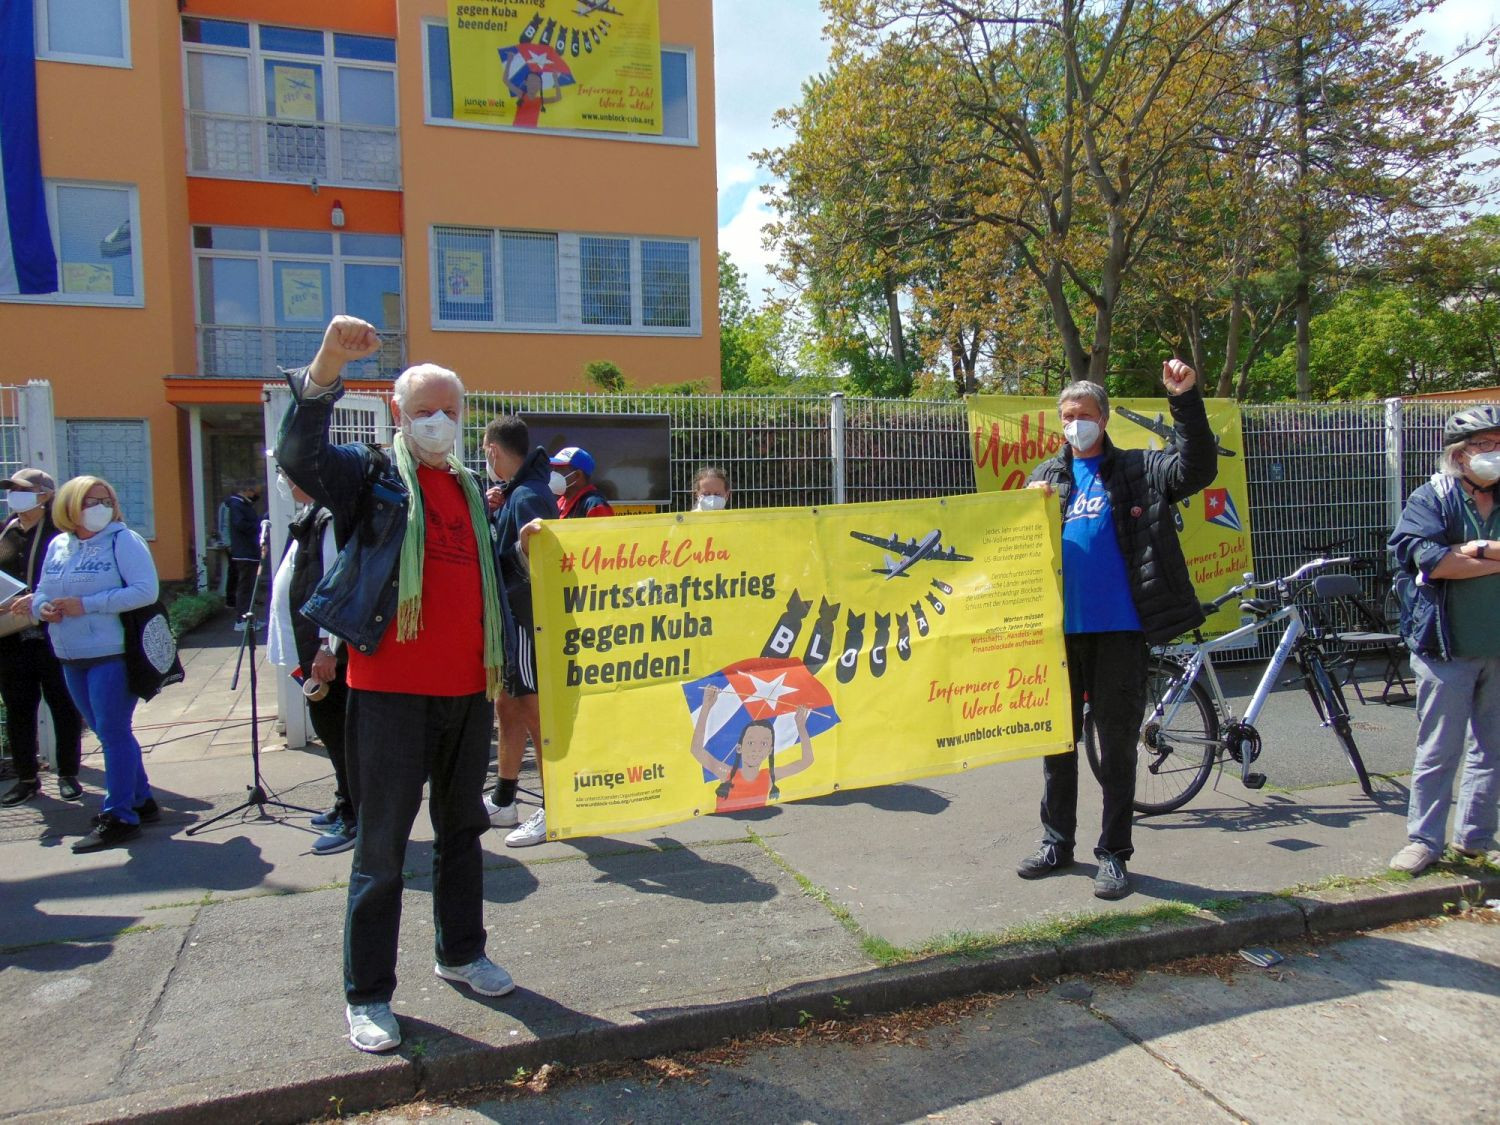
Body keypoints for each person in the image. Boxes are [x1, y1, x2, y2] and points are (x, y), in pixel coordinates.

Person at [277, 315, 515, 1055]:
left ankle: (460, 950)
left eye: (448, 409)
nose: (436, 422)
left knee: (464, 831)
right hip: (386, 694)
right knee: (381, 847)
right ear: (396, 415)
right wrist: (322, 368)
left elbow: (493, 586)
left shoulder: (477, 493)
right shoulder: (374, 480)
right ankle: (368, 994)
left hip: (464, 694)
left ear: (464, 416)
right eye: (422, 411)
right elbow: (299, 453)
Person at [1019, 360, 1217, 899]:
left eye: (1083, 415)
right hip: (1060, 635)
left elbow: (1196, 469)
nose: (1073, 424)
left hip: (1121, 632)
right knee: (1056, 743)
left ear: (1103, 419)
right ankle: (1057, 842)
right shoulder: (1046, 477)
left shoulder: (1137, 470)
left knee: (1116, 746)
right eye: (1065, 416)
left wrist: (1185, 400)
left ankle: (1113, 854)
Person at [1387, 405, 1500, 873]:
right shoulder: (1432, 498)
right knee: (1438, 749)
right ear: (1458, 454)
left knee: (1492, 750)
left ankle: (1474, 839)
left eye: (1498, 442)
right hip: (1446, 648)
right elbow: (1429, 561)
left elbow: (1453, 559)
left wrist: (1473, 550)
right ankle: (1424, 841)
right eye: (1482, 444)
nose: (1493, 452)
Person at [33, 476, 161, 853]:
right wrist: (43, 608)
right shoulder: (59, 544)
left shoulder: (124, 540)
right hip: (70, 653)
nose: (100, 507)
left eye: (105, 499)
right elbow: (43, 589)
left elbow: (144, 591)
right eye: (90, 501)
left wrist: (88, 604)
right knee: (109, 732)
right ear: (71, 505)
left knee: (113, 730)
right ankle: (141, 798)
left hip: (112, 652)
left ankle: (120, 816)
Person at [265, 469, 355, 856]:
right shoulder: (312, 514)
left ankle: (354, 817)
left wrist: (326, 648)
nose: (282, 479)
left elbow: (336, 585)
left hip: (326, 652)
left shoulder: (329, 518)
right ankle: (343, 802)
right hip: (309, 649)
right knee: (332, 733)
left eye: (287, 472)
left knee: (339, 735)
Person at [480, 416, 559, 846]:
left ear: (493, 449)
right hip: (513, 622)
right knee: (507, 707)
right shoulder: (519, 493)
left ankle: (554, 806)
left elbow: (538, 564)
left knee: (535, 715)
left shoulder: (528, 495)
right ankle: (504, 798)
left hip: (529, 622)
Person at [0, 469, 85, 807]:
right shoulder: (6, 530)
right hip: (10, 636)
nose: (14, 496)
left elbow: (72, 578)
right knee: (19, 707)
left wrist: (36, 598)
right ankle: (26, 777)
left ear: (45, 494)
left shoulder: (61, 533)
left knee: (63, 704)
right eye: (11, 490)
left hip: (52, 632)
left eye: (22, 490)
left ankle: (67, 774)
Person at [689, 688, 814, 813]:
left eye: (764, 743)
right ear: (739, 748)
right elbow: (696, 750)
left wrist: (801, 727)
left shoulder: (769, 777)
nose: (757, 749)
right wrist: (706, 707)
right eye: (750, 742)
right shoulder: (726, 773)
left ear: (770, 750)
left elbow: (806, 761)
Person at [223, 481, 263, 628]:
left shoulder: (240, 505)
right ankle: (241, 619)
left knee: (248, 586)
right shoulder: (237, 505)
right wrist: (258, 525)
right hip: (245, 552)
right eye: (254, 492)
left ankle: (248, 618)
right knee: (245, 587)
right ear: (247, 490)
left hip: (247, 551)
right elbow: (240, 525)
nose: (256, 495)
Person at [551, 447, 614, 518]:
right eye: (554, 469)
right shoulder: (560, 502)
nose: (553, 474)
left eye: (559, 470)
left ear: (578, 475)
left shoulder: (595, 505)